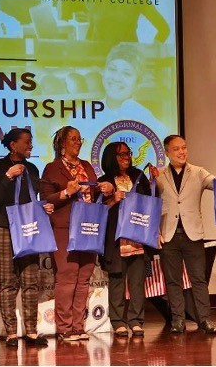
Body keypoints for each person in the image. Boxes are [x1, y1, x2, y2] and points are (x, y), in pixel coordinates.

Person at [150, 135, 216, 334]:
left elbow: (214, 182)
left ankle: (205, 319)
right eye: (176, 149)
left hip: (193, 234)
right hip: (168, 235)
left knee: (198, 279)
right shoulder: (159, 175)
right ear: (167, 152)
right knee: (173, 281)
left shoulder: (198, 172)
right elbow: (152, 205)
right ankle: (178, 320)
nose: (182, 152)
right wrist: (155, 231)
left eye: (184, 147)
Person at [40, 126, 114, 341]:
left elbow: (94, 192)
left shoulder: (87, 166)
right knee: (67, 275)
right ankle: (64, 328)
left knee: (84, 277)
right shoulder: (52, 168)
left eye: (79, 139)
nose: (78, 142)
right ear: (62, 143)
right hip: (64, 227)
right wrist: (66, 192)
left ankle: (78, 326)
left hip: (89, 226)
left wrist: (106, 188)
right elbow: (45, 198)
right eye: (73, 139)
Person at [0, 128, 52, 348]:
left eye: (31, 141)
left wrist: (45, 207)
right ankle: (11, 333)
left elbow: (34, 199)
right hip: (3, 226)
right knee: (7, 282)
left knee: (30, 280)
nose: (31, 145)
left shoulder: (32, 169)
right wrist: (8, 176)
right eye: (27, 142)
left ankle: (31, 331)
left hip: (28, 228)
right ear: (13, 145)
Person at [97, 141, 151, 337]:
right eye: (121, 154)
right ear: (112, 157)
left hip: (138, 238)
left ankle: (136, 320)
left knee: (137, 282)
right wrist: (113, 199)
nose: (126, 157)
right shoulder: (103, 181)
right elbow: (98, 211)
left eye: (128, 153)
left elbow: (150, 202)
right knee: (117, 281)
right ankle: (118, 321)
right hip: (115, 239)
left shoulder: (139, 176)